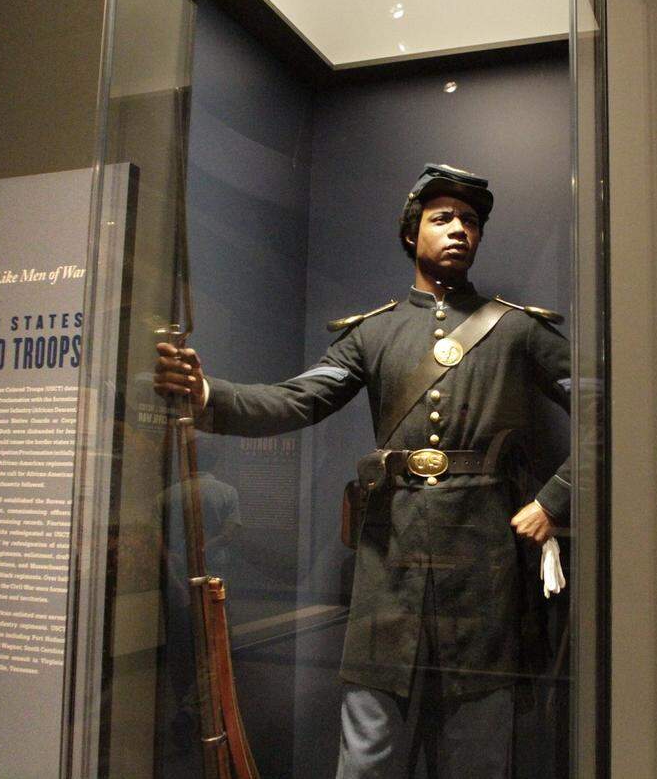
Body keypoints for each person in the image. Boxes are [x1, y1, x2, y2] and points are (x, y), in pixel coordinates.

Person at [154, 163, 570, 778]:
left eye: (471, 222)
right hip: (389, 569)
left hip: (484, 573)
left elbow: (606, 409)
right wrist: (207, 394)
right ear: (412, 233)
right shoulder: (371, 333)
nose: (459, 229)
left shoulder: (517, 331)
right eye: (443, 218)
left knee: (478, 755)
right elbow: (297, 399)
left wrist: (555, 500)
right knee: (367, 754)